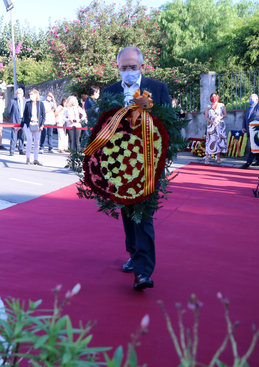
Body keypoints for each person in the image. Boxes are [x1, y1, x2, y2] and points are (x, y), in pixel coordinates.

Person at [103, 46, 171, 290]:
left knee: (143, 215)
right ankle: (133, 253)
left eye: (133, 67)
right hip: (121, 164)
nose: (129, 71)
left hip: (150, 164)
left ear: (142, 66)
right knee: (128, 213)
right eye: (124, 68)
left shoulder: (158, 89)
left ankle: (143, 272)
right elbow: (101, 125)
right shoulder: (109, 92)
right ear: (118, 68)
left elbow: (169, 125)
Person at [20, 89, 45, 165]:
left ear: (36, 95)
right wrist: (21, 126)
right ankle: (28, 158)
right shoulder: (28, 104)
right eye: (30, 95)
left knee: (37, 142)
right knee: (29, 140)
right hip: (28, 124)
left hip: (37, 124)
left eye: (32, 94)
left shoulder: (40, 104)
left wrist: (42, 125)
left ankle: (36, 159)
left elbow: (43, 116)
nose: (31, 96)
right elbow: (24, 115)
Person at [204, 93, 228, 165]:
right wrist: (211, 121)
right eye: (212, 97)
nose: (213, 98)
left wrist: (219, 118)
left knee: (219, 141)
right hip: (211, 126)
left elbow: (225, 114)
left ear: (217, 97)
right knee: (210, 140)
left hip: (220, 125)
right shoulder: (208, 107)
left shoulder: (221, 105)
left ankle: (218, 157)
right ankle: (207, 157)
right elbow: (206, 117)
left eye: (214, 96)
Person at [241, 94, 259, 168]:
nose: (250, 100)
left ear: (256, 100)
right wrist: (243, 127)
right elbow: (244, 119)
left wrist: (255, 122)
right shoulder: (248, 109)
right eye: (250, 99)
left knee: (253, 147)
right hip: (249, 131)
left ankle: (248, 163)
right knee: (255, 147)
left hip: (257, 131)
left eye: (252, 99)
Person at [7, 87, 26, 156]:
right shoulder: (13, 101)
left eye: (20, 93)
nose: (19, 94)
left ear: (23, 94)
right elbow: (8, 111)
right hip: (14, 120)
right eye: (18, 93)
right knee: (14, 136)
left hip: (23, 120)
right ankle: (12, 150)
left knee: (22, 136)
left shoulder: (25, 101)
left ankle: (21, 149)